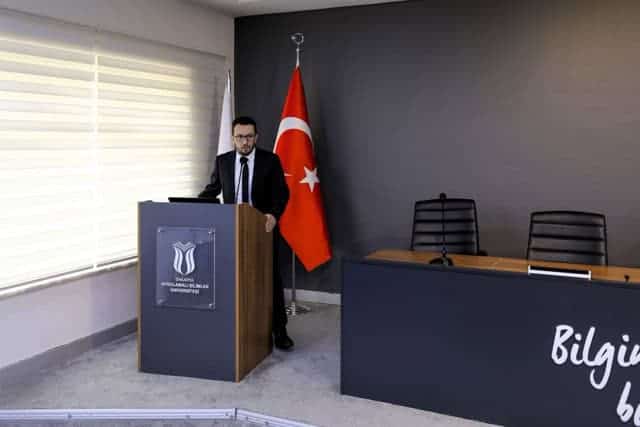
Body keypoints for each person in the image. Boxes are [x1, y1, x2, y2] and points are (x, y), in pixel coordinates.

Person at [199, 116, 294, 350]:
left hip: (263, 229)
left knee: (271, 280)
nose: (245, 142)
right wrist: (192, 205)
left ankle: (279, 330)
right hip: (232, 231)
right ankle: (235, 327)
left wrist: (273, 215)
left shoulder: (270, 161)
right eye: (240, 137)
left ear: (256, 137)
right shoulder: (223, 161)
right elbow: (212, 190)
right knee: (233, 279)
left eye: (249, 136)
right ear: (233, 138)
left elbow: (281, 194)